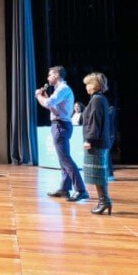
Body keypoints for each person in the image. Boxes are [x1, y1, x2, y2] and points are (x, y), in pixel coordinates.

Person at [36, 66, 88, 201]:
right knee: (63, 160)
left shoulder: (62, 89)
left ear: (56, 75)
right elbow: (55, 109)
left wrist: (38, 96)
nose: (48, 78)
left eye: (50, 75)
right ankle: (65, 189)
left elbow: (48, 103)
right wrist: (44, 97)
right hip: (60, 124)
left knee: (65, 159)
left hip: (60, 125)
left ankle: (81, 190)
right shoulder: (60, 90)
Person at [82, 73, 113, 215]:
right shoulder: (99, 99)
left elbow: (95, 122)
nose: (86, 87)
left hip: (96, 143)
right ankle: (104, 201)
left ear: (95, 85)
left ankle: (104, 201)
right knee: (97, 173)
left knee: (97, 174)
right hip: (99, 142)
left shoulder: (97, 100)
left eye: (88, 84)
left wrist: (89, 140)